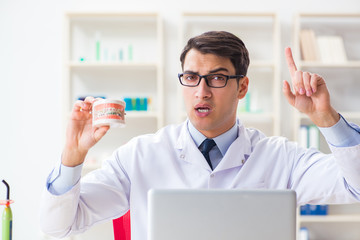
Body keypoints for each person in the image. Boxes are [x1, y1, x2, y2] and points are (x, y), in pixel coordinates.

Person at [40, 31, 360, 239]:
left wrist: (327, 119)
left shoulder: (282, 158)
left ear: (242, 87)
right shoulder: (139, 155)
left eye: (217, 78)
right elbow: (58, 226)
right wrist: (73, 156)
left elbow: (354, 187)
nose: (201, 92)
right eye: (191, 78)